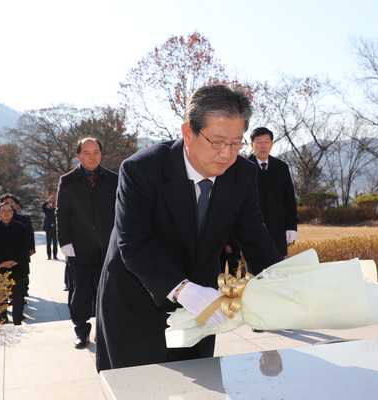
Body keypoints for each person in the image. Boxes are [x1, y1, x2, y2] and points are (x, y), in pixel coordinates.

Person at [95, 84, 283, 372]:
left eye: (235, 143)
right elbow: (133, 243)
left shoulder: (243, 174)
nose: (226, 154)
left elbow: (254, 234)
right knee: (140, 387)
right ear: (188, 133)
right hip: (136, 295)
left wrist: (282, 284)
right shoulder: (142, 170)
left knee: (200, 383)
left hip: (202, 298)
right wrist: (183, 290)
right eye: (217, 141)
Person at [56, 137, 118, 349]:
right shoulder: (68, 181)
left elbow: (121, 213)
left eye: (96, 152)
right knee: (79, 292)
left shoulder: (113, 179)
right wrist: (64, 242)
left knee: (107, 292)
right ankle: (81, 332)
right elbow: (61, 214)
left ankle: (104, 331)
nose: (93, 157)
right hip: (79, 249)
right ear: (78, 155)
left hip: (107, 248)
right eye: (87, 152)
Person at [248, 127, 298, 266]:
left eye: (267, 141)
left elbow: (289, 199)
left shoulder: (282, 168)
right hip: (251, 231)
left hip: (277, 230)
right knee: (254, 276)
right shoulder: (243, 167)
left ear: (272, 144)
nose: (263, 145)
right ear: (252, 144)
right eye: (259, 142)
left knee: (277, 272)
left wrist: (291, 227)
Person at [0, 202, 29, 325]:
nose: (6, 212)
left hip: (18, 267)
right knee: (1, 298)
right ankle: (3, 320)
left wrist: (15, 261)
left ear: (13, 212)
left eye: (9, 210)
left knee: (18, 298)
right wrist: (1, 262)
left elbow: (24, 247)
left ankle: (18, 321)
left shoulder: (21, 227)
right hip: (0, 268)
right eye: (3, 210)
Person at [42, 195, 58, 260]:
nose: (51, 204)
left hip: (54, 228)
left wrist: (55, 200)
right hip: (48, 229)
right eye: (50, 203)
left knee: (55, 243)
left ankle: (55, 255)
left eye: (52, 203)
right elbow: (43, 206)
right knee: (48, 243)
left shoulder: (56, 210)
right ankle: (49, 256)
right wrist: (48, 200)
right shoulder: (46, 210)